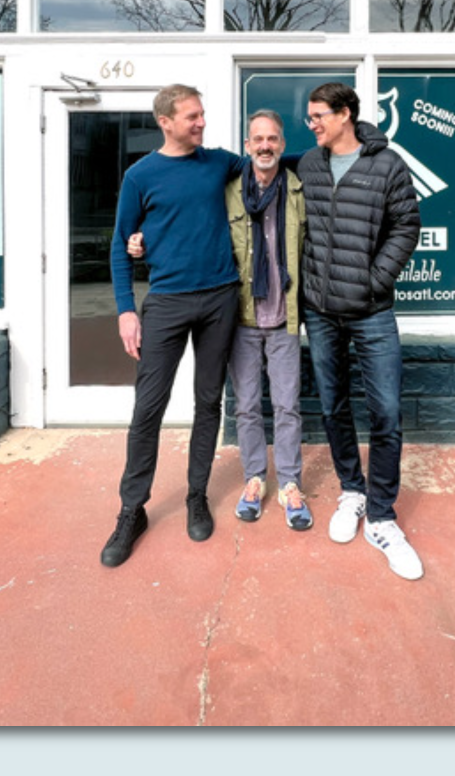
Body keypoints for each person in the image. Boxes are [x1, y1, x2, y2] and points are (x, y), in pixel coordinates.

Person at [138, 111, 313, 531]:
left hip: (285, 317)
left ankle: (290, 483)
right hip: (240, 317)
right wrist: (142, 239)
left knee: (288, 407)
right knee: (247, 407)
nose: (266, 146)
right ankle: (255, 479)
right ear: (246, 145)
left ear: (282, 144)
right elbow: (185, 221)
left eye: (273, 139)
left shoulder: (298, 190)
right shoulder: (227, 190)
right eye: (258, 139)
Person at [100, 84, 247, 569]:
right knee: (148, 407)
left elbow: (270, 163)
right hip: (166, 303)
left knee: (208, 401)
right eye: (192, 116)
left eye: (202, 114)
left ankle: (196, 495)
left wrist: (338, 147)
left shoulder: (219, 163)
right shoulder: (140, 176)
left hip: (221, 296)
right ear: (165, 122)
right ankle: (131, 510)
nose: (201, 122)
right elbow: (121, 244)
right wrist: (126, 310)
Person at [297, 82, 425, 580]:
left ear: (345, 114)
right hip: (320, 311)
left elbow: (406, 225)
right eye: (310, 117)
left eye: (318, 116)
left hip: (372, 310)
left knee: (386, 412)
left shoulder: (386, 165)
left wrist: (375, 280)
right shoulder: (309, 164)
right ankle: (352, 490)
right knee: (333, 405)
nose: (312, 124)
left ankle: (382, 516)